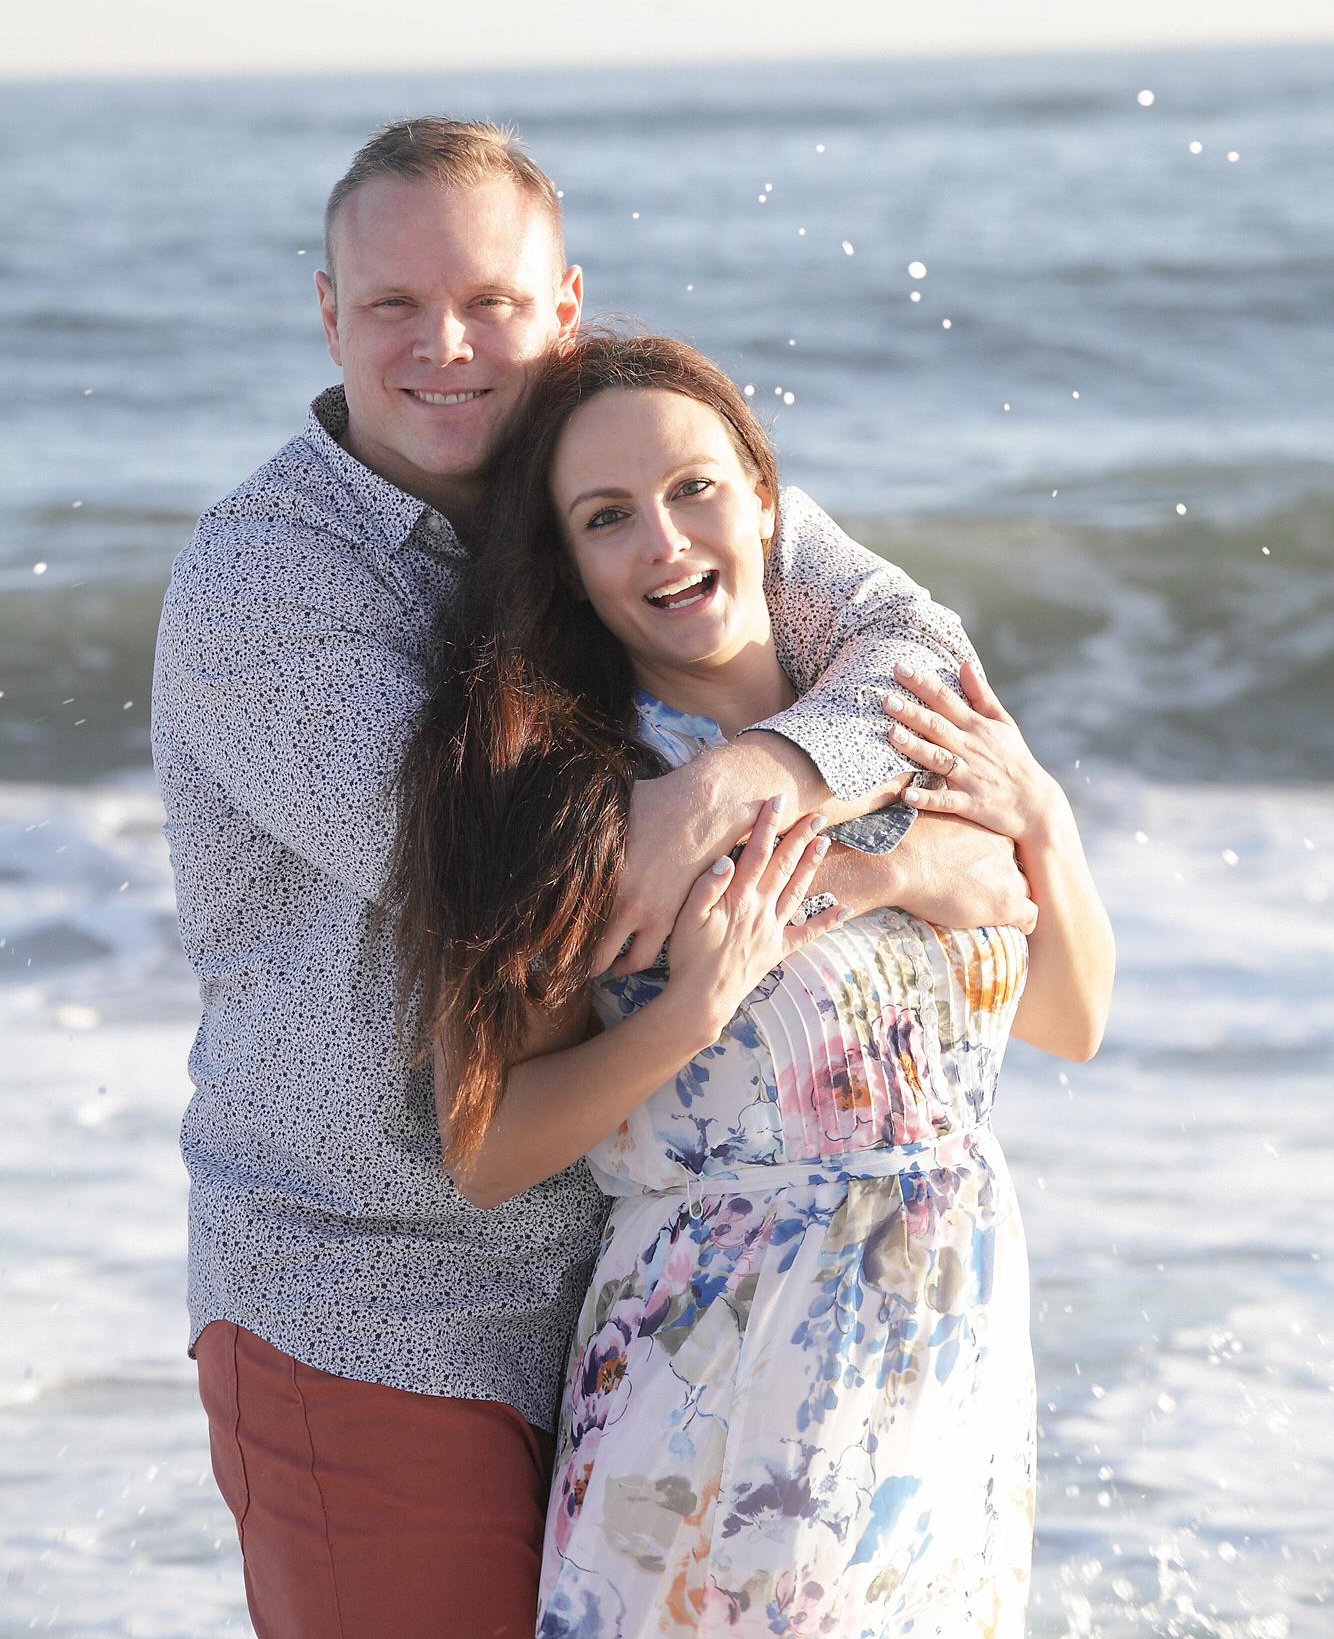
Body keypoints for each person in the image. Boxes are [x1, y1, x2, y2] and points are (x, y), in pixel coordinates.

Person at [152, 119, 1038, 1639]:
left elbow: (921, 657)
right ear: (326, 314)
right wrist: (911, 861)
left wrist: (760, 772)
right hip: (376, 1305)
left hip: (647, 1289)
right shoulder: (267, 581)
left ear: (564, 309)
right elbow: (525, 891)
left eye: (491, 302)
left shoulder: (612, 467)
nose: (446, 347)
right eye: (392, 307)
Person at [391, 333, 1114, 1637]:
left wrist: (1025, 824)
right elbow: (487, 1146)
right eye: (606, 519)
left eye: (693, 490)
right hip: (727, 1369)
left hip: (942, 1358)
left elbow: (1071, 1017)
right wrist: (688, 1013)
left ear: (767, 502)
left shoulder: (906, 732)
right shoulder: (586, 797)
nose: (664, 544)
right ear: (568, 564)